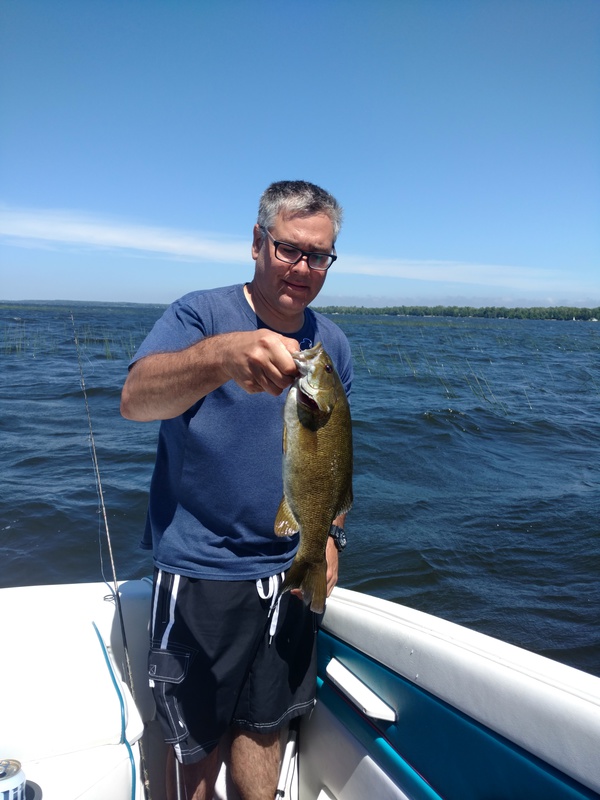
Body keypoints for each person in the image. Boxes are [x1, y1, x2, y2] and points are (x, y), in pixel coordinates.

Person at [121, 180, 352, 800]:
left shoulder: (333, 349)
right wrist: (223, 357)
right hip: (203, 570)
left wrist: (329, 534)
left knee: (265, 724)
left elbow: (330, 461)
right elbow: (136, 399)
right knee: (196, 742)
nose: (303, 268)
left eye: (318, 256)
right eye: (288, 249)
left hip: (290, 570)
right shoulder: (200, 315)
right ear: (257, 242)